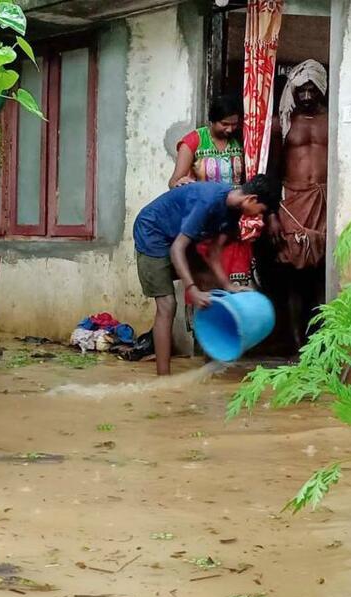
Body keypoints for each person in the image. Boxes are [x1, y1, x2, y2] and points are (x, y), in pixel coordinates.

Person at [133, 175, 281, 376]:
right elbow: (178, 249)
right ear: (251, 200)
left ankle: (212, 362)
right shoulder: (208, 201)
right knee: (167, 305)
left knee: (211, 285)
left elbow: (213, 253)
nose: (260, 218)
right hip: (152, 233)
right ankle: (163, 378)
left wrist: (229, 286)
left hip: (177, 235)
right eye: (261, 212)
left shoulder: (233, 211)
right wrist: (191, 289)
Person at [267, 59, 329, 351]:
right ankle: (294, 343)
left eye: (311, 90)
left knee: (321, 274)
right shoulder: (283, 123)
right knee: (292, 274)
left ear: (321, 89)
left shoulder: (334, 118)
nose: (305, 96)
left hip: (324, 201)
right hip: (292, 201)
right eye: (300, 90)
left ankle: (320, 342)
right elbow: (272, 170)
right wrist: (271, 214)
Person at [169, 95, 260, 291]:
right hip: (204, 225)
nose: (230, 129)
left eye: (234, 124)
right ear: (212, 120)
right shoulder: (194, 141)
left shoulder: (242, 141)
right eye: (224, 124)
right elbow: (174, 181)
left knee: (239, 285)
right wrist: (182, 183)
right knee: (207, 288)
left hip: (232, 225)